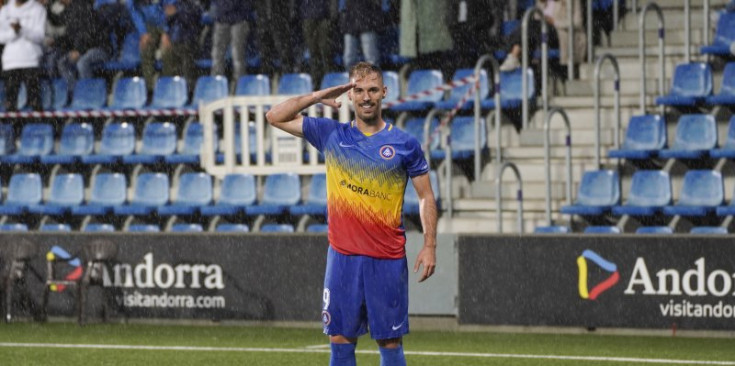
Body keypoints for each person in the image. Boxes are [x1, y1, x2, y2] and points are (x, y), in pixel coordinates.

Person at [265, 61, 438, 366]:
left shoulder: (405, 144)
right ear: (350, 94)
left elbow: (426, 196)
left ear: (384, 92)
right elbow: (274, 116)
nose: (366, 96)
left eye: (373, 89)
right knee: (340, 340)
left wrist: (430, 244)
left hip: (386, 258)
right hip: (343, 258)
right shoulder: (331, 134)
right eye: (358, 90)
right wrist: (319, 96)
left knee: (389, 341)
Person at [0, 0, 46, 111]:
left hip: (31, 61)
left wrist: (22, 30)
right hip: (10, 62)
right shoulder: (5, 10)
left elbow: (40, 36)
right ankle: (13, 128)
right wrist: (14, 33)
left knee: (35, 103)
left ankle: (37, 128)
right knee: (10, 105)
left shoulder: (38, 9)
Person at [210, 0, 253, 81]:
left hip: (239, 19)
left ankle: (240, 82)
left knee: (237, 54)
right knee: (217, 54)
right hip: (221, 19)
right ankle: (216, 82)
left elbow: (246, 5)